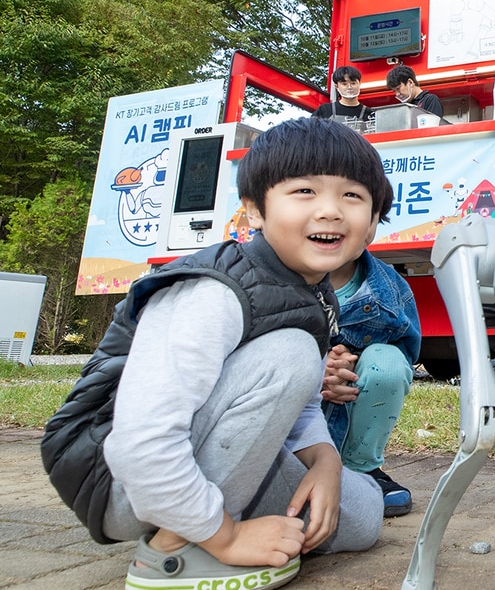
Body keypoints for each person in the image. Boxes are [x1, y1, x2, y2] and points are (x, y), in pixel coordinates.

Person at [41, 117, 394, 589]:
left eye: (352, 196)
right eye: (305, 191)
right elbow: (142, 440)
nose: (330, 211)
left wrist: (325, 461)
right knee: (289, 353)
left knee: (362, 514)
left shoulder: (315, 294)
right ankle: (176, 550)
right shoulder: (214, 291)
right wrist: (225, 537)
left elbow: (302, 402)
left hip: (211, 459)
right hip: (118, 480)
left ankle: (209, 518)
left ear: (372, 221)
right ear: (254, 211)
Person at [321, 231, 421, 518]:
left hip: (346, 400)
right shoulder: (270, 282)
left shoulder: (389, 288)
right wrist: (313, 369)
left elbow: (405, 350)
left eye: (357, 204)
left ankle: (359, 468)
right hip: (285, 432)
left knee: (388, 362)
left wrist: (353, 364)